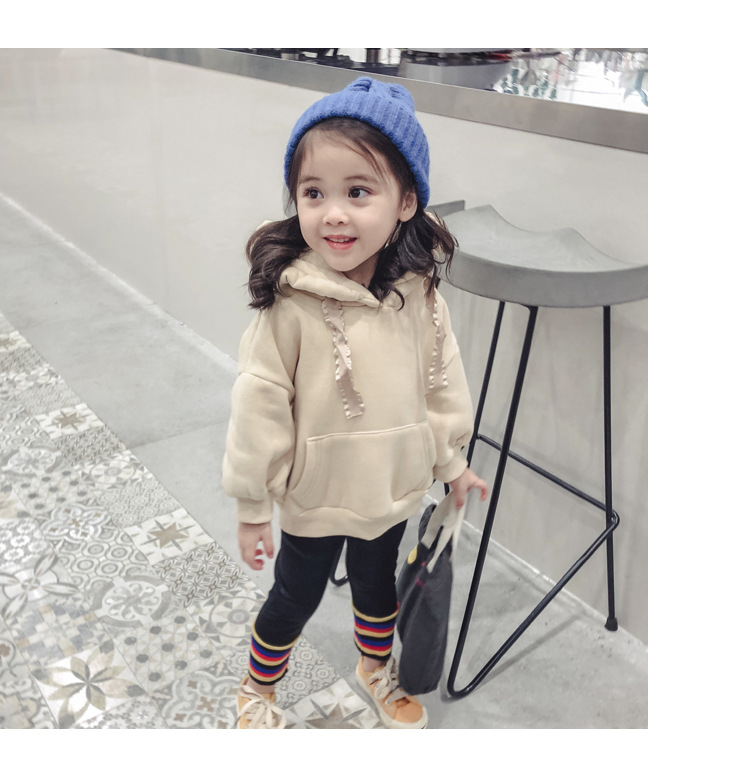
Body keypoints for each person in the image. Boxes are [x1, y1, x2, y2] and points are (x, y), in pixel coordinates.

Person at [222, 76, 488, 730]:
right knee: (294, 597)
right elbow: (258, 407)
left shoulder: (420, 295)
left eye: (358, 192)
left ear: (406, 202)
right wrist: (254, 506)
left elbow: (441, 383)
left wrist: (452, 463)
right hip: (314, 496)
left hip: (391, 489)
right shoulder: (289, 302)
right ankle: (258, 687)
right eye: (314, 193)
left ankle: (376, 667)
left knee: (376, 591)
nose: (333, 214)